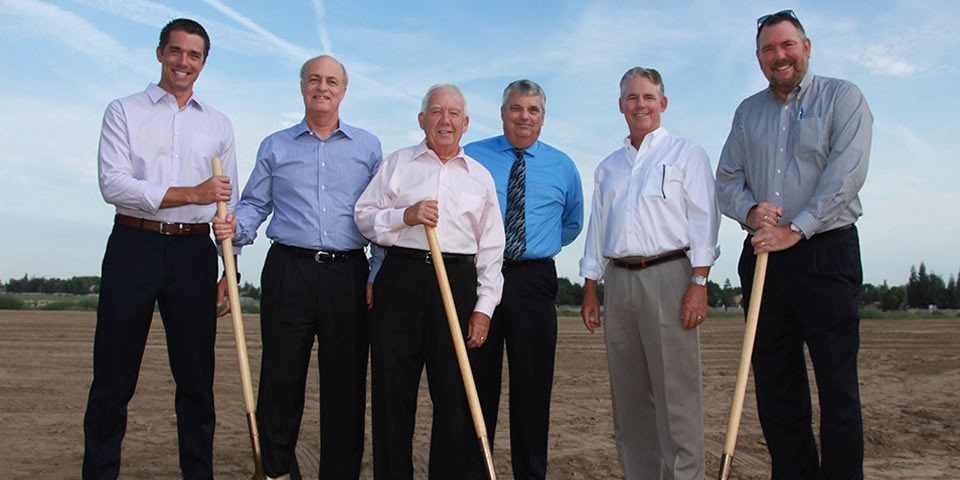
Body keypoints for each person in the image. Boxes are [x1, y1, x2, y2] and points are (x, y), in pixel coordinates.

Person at [715, 10, 872, 480]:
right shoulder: (747, 112)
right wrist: (749, 211)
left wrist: (797, 228)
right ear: (759, 57)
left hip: (827, 253)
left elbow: (846, 175)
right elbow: (726, 179)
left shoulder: (843, 98)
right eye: (768, 49)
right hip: (765, 260)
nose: (778, 56)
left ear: (806, 46)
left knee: (837, 386)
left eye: (786, 45)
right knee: (777, 387)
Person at [213, 55, 382, 480]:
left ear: (343, 91)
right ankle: (275, 470)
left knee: (345, 384)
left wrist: (377, 273)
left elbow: (379, 215)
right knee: (281, 379)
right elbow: (254, 204)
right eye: (314, 80)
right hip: (289, 271)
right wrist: (236, 229)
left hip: (348, 273)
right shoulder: (276, 145)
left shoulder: (368, 148)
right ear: (302, 86)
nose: (322, 88)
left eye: (331, 81)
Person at [83, 18, 238, 480]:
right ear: (159, 54)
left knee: (196, 381)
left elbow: (226, 206)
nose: (183, 62)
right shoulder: (123, 111)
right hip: (134, 244)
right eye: (175, 51)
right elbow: (114, 185)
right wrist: (192, 193)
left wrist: (229, 269)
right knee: (113, 377)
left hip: (194, 256)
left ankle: (198, 474)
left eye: (193, 55)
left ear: (204, 63)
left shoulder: (219, 125)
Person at [354, 84, 505, 479]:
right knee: (391, 394)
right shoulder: (398, 164)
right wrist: (404, 216)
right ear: (422, 120)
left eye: (454, 114)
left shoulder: (481, 178)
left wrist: (484, 309)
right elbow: (364, 216)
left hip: (455, 283)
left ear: (466, 124)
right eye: (436, 112)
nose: (445, 120)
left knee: (455, 399)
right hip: (401, 279)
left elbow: (491, 251)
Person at [579, 67, 720, 480]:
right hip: (619, 283)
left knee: (676, 396)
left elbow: (703, 222)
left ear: (663, 103)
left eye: (648, 97)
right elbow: (597, 230)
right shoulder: (608, 168)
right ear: (621, 106)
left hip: (670, 277)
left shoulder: (686, 154)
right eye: (632, 98)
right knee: (629, 398)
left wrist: (698, 283)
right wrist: (591, 287)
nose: (640, 105)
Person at [463, 79, 583, 480]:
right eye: (516, 108)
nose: (524, 116)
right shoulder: (472, 157)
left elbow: (571, 223)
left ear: (543, 117)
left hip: (534, 281)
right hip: (480, 277)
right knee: (478, 386)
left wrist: (536, 243)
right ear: (502, 113)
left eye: (533, 109)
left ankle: (530, 474)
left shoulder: (563, 166)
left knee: (532, 389)